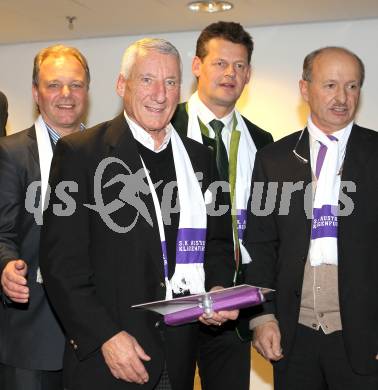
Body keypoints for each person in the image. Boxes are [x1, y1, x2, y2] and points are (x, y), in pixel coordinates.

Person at [39, 38, 238, 390]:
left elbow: (218, 243)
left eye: (171, 82)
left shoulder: (200, 159)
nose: (160, 94)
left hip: (178, 357)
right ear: (122, 85)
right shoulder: (81, 154)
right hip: (109, 360)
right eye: (147, 80)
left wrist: (217, 289)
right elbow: (62, 266)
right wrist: (106, 338)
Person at [244, 46, 378, 389]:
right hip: (293, 337)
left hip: (364, 338)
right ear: (305, 89)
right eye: (330, 85)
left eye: (352, 86)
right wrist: (262, 315)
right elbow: (259, 245)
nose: (342, 97)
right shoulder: (273, 160)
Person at [171, 21, 273, 390]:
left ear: (249, 74)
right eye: (220, 63)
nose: (230, 73)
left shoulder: (263, 142)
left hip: (236, 301)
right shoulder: (166, 126)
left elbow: (267, 228)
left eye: (240, 65)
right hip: (176, 297)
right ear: (197, 66)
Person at [0, 44, 90, 390]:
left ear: (87, 90)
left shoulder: (107, 153)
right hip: (34, 337)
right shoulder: (10, 154)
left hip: (95, 339)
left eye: (76, 84)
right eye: (54, 85)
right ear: (37, 92)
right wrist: (6, 267)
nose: (66, 95)